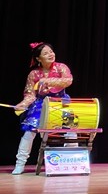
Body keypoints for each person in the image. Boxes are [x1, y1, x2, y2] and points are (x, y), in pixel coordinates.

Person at [10, 42, 74, 174]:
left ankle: (71, 162)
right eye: (45, 53)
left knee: (71, 129)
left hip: (61, 102)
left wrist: (47, 81)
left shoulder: (61, 67)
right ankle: (20, 163)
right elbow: (30, 95)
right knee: (29, 131)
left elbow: (68, 80)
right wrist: (23, 104)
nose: (50, 54)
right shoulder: (33, 74)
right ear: (38, 58)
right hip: (41, 104)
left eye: (51, 51)